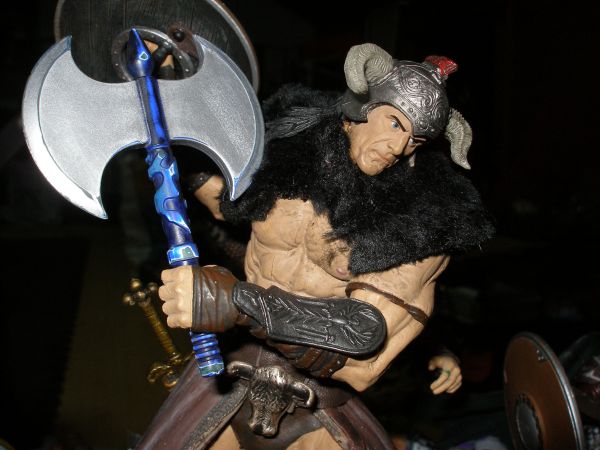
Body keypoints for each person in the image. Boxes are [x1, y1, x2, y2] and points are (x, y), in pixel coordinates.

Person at [149, 43, 494, 449]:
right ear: (363, 107)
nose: (399, 148)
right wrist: (170, 85)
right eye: (395, 123)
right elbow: (213, 189)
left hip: (319, 400)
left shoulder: (421, 222)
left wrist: (237, 303)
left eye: (416, 140)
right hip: (231, 365)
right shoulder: (285, 145)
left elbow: (364, 345)